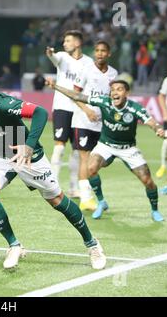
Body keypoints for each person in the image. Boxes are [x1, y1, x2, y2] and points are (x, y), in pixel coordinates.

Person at [0, 67, 106, 270]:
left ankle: (92, 244)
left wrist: (29, 146)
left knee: (57, 200)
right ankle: (14, 245)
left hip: (27, 155)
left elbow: (39, 112)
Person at [45, 77, 166, 221]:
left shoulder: (135, 108)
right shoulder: (104, 101)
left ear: (127, 93)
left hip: (128, 148)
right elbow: (77, 96)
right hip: (106, 145)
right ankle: (102, 202)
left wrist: (158, 129)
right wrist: (55, 86)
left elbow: (151, 122)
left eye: (119, 89)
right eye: (113, 90)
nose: (115, 92)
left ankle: (155, 210)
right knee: (90, 168)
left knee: (147, 180)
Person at [71, 41, 118, 215]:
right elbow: (74, 94)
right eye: (97, 51)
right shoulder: (86, 70)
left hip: (102, 124)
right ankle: (85, 199)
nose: (99, 53)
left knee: (100, 161)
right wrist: (87, 110)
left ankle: (89, 194)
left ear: (109, 54)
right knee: (85, 158)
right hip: (83, 121)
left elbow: (114, 98)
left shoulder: (114, 73)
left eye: (103, 51)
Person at [46, 30, 94, 198]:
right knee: (59, 147)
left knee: (76, 151)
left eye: (68, 41)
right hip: (61, 107)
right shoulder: (61, 57)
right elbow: (54, 57)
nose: (64, 43)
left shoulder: (89, 63)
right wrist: (50, 53)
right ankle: (52, 186)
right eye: (64, 40)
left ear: (77, 43)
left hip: (79, 110)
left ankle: (74, 188)